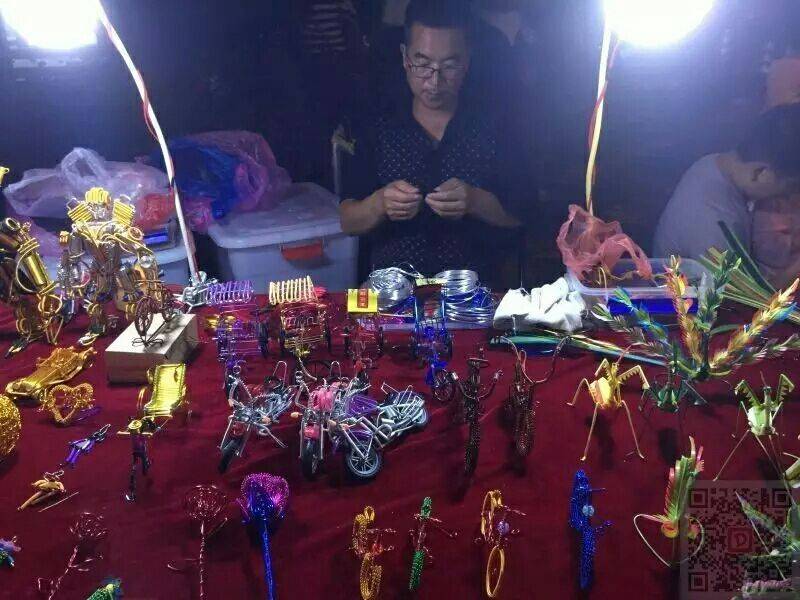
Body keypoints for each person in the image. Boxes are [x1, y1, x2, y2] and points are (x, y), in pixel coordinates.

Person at [339, 0, 523, 278]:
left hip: (471, 289)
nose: (434, 82)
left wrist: (475, 201)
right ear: (405, 58)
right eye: (423, 64)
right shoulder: (378, 124)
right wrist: (379, 204)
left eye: (449, 66)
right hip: (392, 288)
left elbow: (522, 215)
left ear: (467, 61)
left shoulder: (495, 125)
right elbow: (347, 221)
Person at [653, 103, 800, 287]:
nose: (788, 195)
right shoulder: (716, 223)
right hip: (687, 303)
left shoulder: (715, 163)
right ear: (760, 173)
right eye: (790, 187)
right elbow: (751, 303)